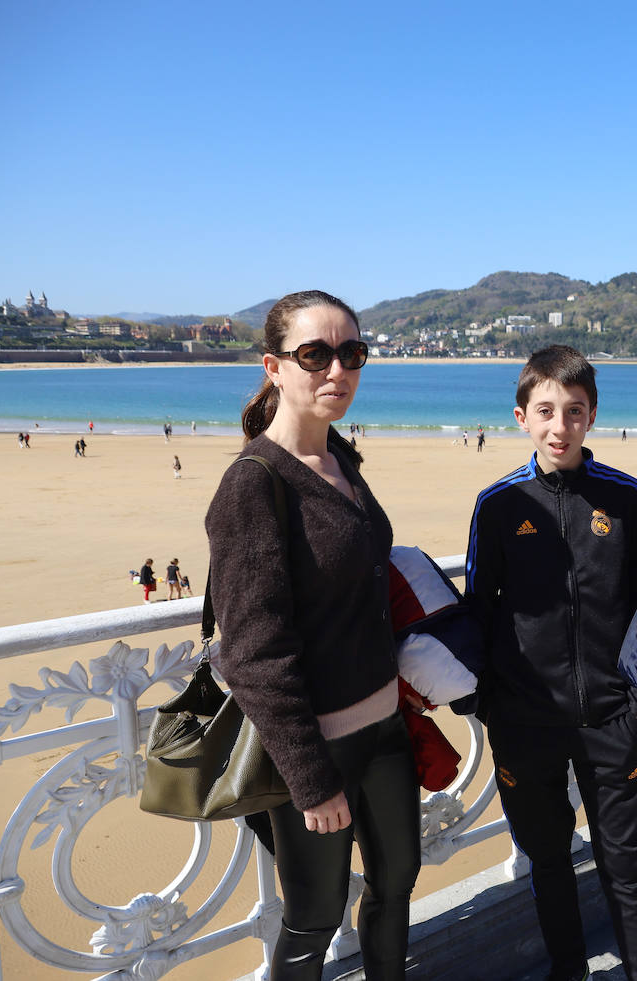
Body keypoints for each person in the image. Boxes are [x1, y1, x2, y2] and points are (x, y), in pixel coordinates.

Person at [205, 290, 418, 981]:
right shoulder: (253, 484)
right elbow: (253, 653)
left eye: (351, 353)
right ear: (274, 366)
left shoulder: (342, 463)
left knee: (397, 884)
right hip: (317, 750)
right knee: (314, 918)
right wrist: (309, 779)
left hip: (386, 730)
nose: (337, 370)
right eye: (314, 354)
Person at [465, 344, 637, 981]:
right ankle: (567, 971)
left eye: (574, 411)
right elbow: (479, 606)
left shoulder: (626, 497)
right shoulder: (497, 505)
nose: (560, 426)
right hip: (525, 721)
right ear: (521, 416)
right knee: (547, 858)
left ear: (592, 416)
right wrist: (489, 701)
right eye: (546, 411)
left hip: (610, 715)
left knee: (623, 858)